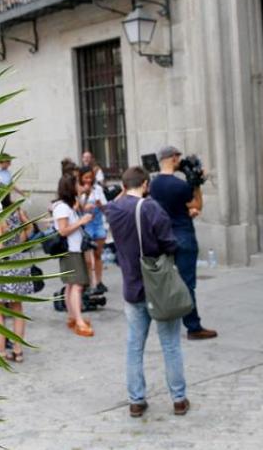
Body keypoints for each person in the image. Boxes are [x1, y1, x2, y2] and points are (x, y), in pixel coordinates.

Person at [105, 166, 188, 417]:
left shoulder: (114, 209)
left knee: (134, 346)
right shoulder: (150, 208)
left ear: (122, 186)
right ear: (145, 184)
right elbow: (169, 242)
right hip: (158, 286)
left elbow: (114, 206)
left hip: (132, 285)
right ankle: (179, 399)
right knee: (170, 344)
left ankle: (136, 400)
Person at [149, 146, 217, 340]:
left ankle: (167, 320)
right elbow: (197, 205)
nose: (180, 160)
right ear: (172, 159)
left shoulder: (153, 185)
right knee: (187, 284)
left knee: (166, 281)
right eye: (178, 157)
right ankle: (193, 327)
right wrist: (196, 184)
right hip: (183, 235)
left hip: (163, 236)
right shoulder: (180, 186)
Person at [0, 194, 33, 366]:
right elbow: (28, 231)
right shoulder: (17, 211)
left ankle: (1, 354)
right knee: (17, 308)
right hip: (19, 263)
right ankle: (18, 351)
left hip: (3, 267)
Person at [53, 175, 95, 337]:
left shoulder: (67, 205)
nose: (79, 186)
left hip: (74, 249)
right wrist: (81, 221)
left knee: (71, 285)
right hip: (71, 250)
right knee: (77, 285)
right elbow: (63, 230)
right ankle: (78, 321)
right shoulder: (62, 207)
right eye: (77, 183)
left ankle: (72, 317)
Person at [78, 166, 108, 294]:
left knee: (97, 255)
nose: (88, 180)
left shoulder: (98, 189)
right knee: (87, 259)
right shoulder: (78, 191)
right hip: (86, 226)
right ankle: (90, 282)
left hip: (98, 224)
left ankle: (99, 282)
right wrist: (84, 204)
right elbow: (76, 211)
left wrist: (99, 204)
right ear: (80, 178)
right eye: (86, 178)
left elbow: (105, 208)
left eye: (90, 177)